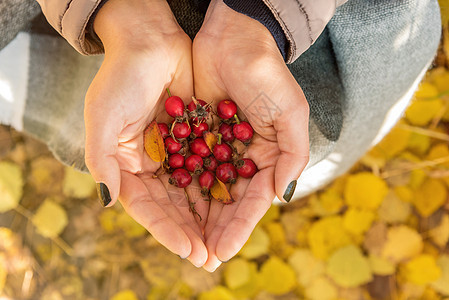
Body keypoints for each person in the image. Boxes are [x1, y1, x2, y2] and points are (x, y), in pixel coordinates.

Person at [0, 0, 441, 272]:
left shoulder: (210, 140)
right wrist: (125, 17)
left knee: (300, 144)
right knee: (285, 154)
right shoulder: (202, 140)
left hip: (317, 26)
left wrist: (260, 13)